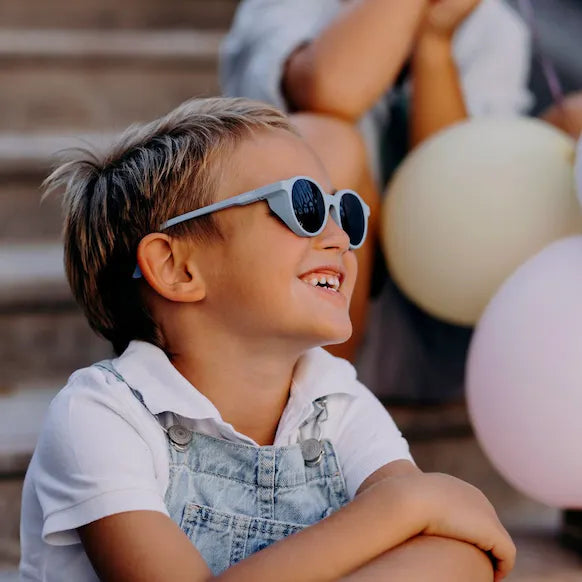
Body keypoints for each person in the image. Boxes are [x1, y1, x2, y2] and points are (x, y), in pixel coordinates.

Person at [19, 97, 515, 581]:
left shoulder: (337, 402)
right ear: (177, 268)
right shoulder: (102, 416)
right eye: (304, 206)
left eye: (346, 213)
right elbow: (417, 512)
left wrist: (419, 519)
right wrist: (403, 503)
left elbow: (449, 551)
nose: (340, 239)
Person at [221, 0, 532, 399]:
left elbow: (455, 202)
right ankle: (306, 410)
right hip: (296, 308)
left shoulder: (491, 25)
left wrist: (434, 45)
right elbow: (329, 89)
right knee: (326, 144)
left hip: (436, 319)